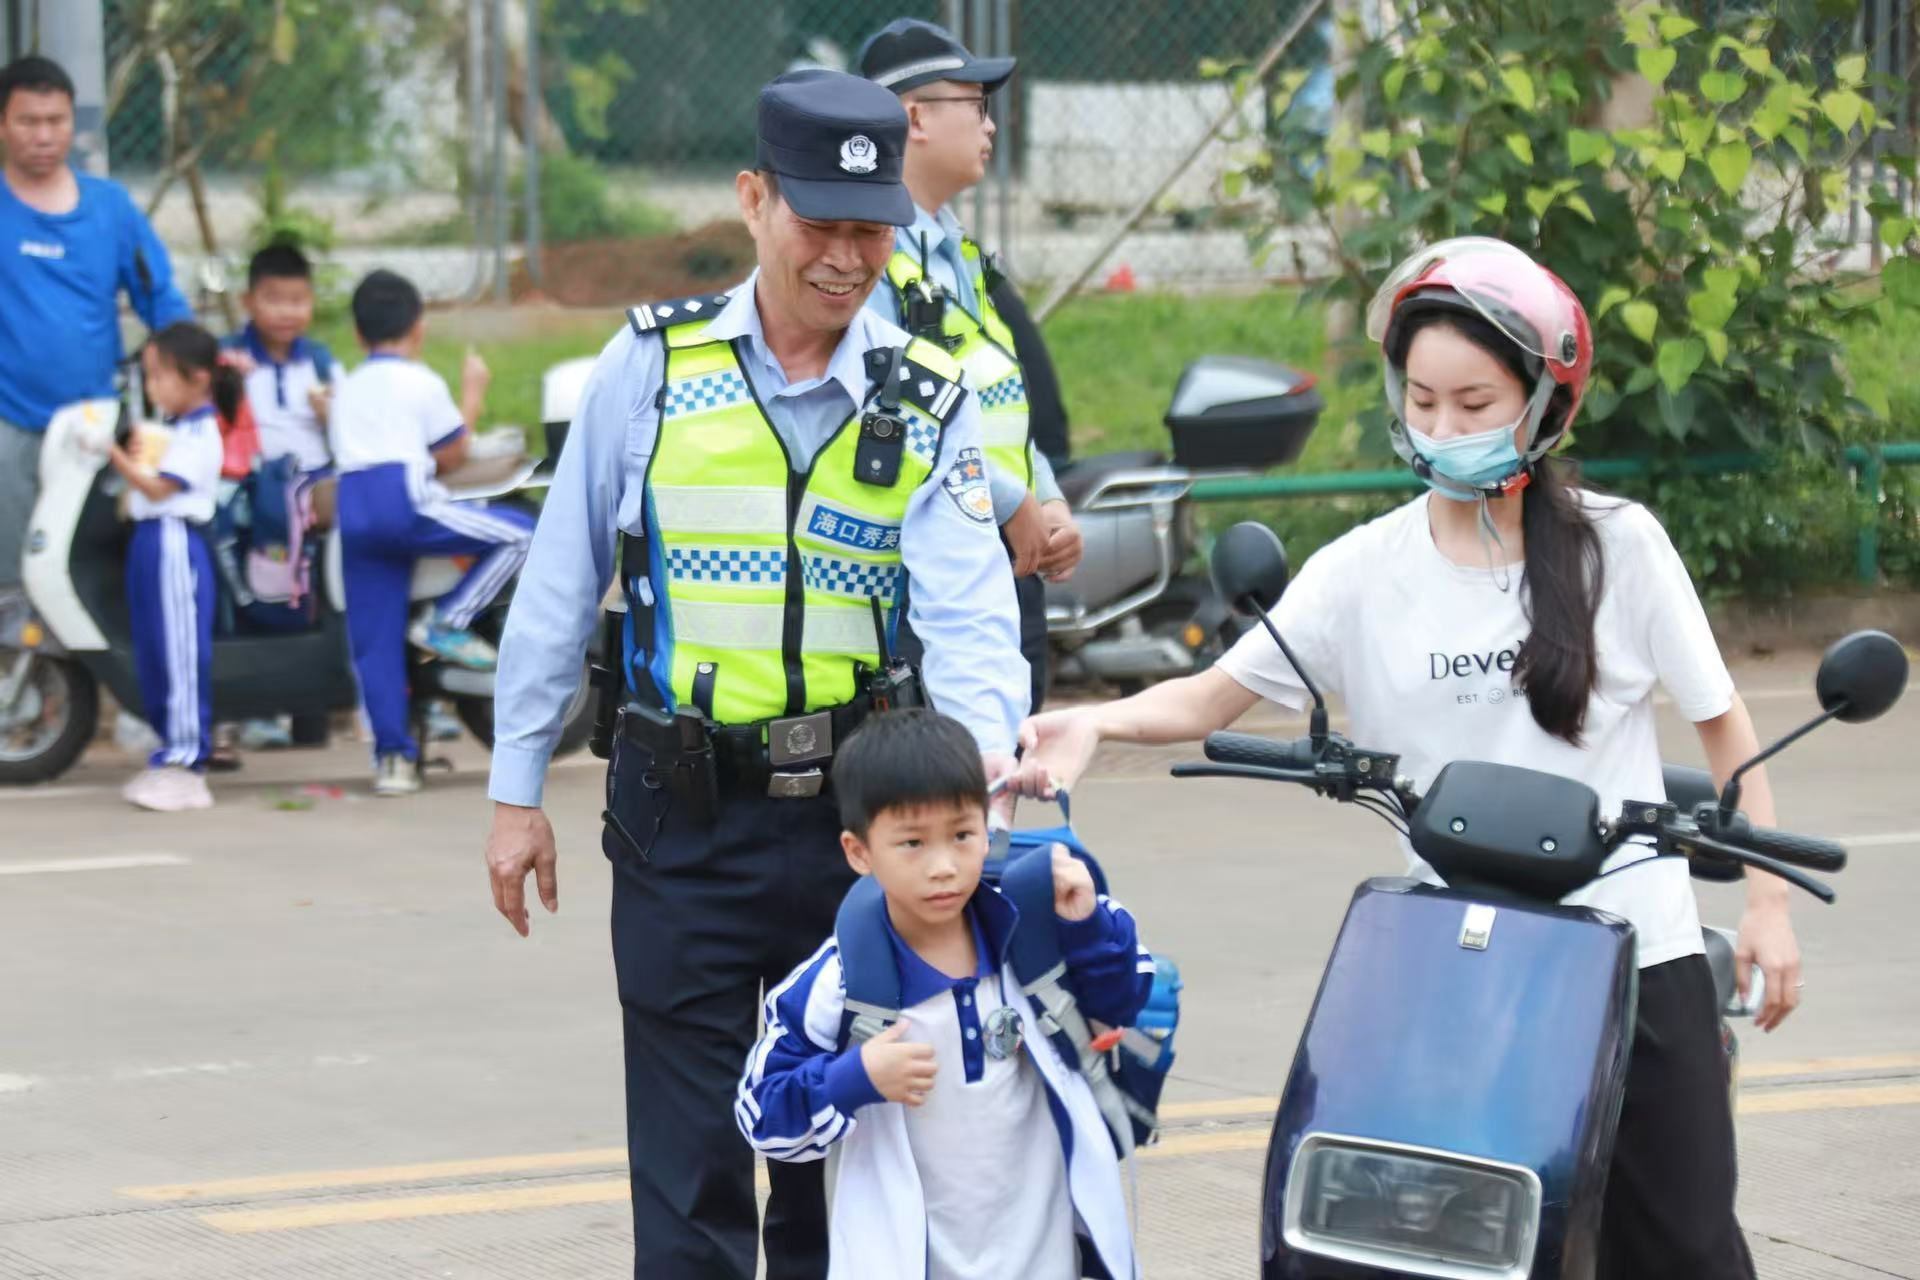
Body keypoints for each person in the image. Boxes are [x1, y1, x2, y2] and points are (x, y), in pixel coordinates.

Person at [1015, 237, 1799, 1279]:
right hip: (1455, 960)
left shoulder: (1621, 546)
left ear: (1545, 400)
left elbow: (1724, 720)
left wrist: (1769, 904)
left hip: (1635, 948)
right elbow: (1216, 693)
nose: (1443, 427)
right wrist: (1096, 722)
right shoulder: (1362, 570)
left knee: (1687, 1244)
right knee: (1407, 1234)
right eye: (1422, 398)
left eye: (1474, 403)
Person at [483, 70, 1029, 1280]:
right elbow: (559, 581)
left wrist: (992, 782)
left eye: (871, 228)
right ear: (753, 199)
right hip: (680, 819)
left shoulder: (927, 397)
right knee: (687, 1174)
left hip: (856, 827)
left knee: (844, 1174)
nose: (846, 257)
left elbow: (973, 614)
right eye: (819, 222)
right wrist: (515, 790)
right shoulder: (649, 371)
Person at [737, 708, 1147, 1280]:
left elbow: (1126, 1002)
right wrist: (854, 1078)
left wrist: (1083, 927)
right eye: (911, 843)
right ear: (859, 853)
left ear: (988, 826)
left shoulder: (1030, 924)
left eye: (962, 835)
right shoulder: (841, 980)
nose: (943, 867)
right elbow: (761, 1115)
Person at [858, 18, 1083, 710]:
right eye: (976, 106)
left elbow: (997, 400)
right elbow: (889, 418)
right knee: (949, 795)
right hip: (932, 583)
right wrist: (1012, 504)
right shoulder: (871, 258)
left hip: (1002, 556)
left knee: (1002, 781)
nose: (991, 126)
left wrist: (1047, 499)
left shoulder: (956, 253)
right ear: (913, 117)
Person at [330, 269, 532, 796]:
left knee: (374, 643)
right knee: (522, 535)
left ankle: (393, 761)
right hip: (404, 501)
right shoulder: (421, 381)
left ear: (358, 334)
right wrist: (473, 394)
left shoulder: (347, 388)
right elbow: (452, 453)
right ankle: (449, 621)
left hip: (354, 513)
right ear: (417, 329)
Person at [0, 54, 191, 594]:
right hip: (7, 421)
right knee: (12, 578)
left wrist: (197, 361)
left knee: (87, 570)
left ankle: (85, 676)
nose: (43, 135)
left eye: (56, 121)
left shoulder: (110, 208)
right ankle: (21, 675)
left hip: (94, 427)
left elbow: (162, 302)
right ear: (2, 124)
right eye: (28, 121)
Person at [103, 323, 233, 811]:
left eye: (159, 376)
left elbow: (160, 489)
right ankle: (168, 755)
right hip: (150, 541)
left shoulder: (202, 432)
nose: (153, 387)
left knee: (179, 653)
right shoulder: (176, 429)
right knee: (155, 652)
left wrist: (111, 452)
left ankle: (186, 761)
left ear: (197, 377)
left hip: (175, 540)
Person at [221, 243, 336, 477]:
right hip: (250, 478)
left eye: (297, 301)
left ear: (311, 302)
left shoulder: (320, 362)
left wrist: (328, 414)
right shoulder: (229, 357)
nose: (286, 312)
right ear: (248, 301)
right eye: (273, 300)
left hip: (315, 474)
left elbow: (348, 430)